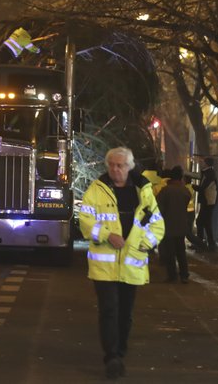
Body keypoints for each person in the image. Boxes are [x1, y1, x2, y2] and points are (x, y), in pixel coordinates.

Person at [78, 147, 165, 380]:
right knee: (109, 310)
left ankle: (120, 350)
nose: (116, 169)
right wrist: (107, 235)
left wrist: (144, 243)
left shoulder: (143, 192)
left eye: (120, 165)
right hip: (104, 267)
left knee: (125, 313)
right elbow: (85, 222)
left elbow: (157, 225)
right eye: (112, 165)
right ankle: (112, 356)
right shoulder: (96, 191)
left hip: (131, 264)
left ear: (130, 167)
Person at [156, 165, 192, 283]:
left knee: (170, 252)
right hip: (181, 225)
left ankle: (172, 276)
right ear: (181, 177)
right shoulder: (185, 191)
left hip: (168, 225)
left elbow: (159, 208)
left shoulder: (165, 191)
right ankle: (184, 275)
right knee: (181, 251)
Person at [194, 157, 218, 250]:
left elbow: (203, 187)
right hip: (208, 201)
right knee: (205, 223)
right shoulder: (208, 173)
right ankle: (208, 243)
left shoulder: (209, 174)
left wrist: (193, 187)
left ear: (207, 164)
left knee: (200, 222)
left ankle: (201, 243)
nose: (201, 163)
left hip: (208, 202)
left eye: (203, 162)